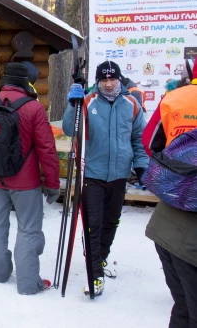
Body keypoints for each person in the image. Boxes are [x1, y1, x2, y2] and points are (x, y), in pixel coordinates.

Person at [0, 63, 60, 295]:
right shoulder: (34, 108)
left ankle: (0, 275)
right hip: (26, 182)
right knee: (28, 230)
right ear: (25, 83)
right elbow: (47, 149)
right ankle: (29, 285)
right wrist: (52, 183)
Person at [62, 60, 149, 296]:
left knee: (111, 222)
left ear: (119, 79)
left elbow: (139, 139)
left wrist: (141, 166)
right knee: (94, 225)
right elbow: (70, 129)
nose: (108, 84)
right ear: (98, 81)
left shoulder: (131, 103)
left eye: (112, 79)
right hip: (92, 173)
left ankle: (100, 257)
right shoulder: (88, 101)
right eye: (104, 80)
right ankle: (95, 275)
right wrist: (73, 103)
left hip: (120, 174)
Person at [143, 58, 197, 328]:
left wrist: (174, 172)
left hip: (170, 208)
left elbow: (149, 142)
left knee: (184, 307)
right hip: (188, 230)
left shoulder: (174, 97)